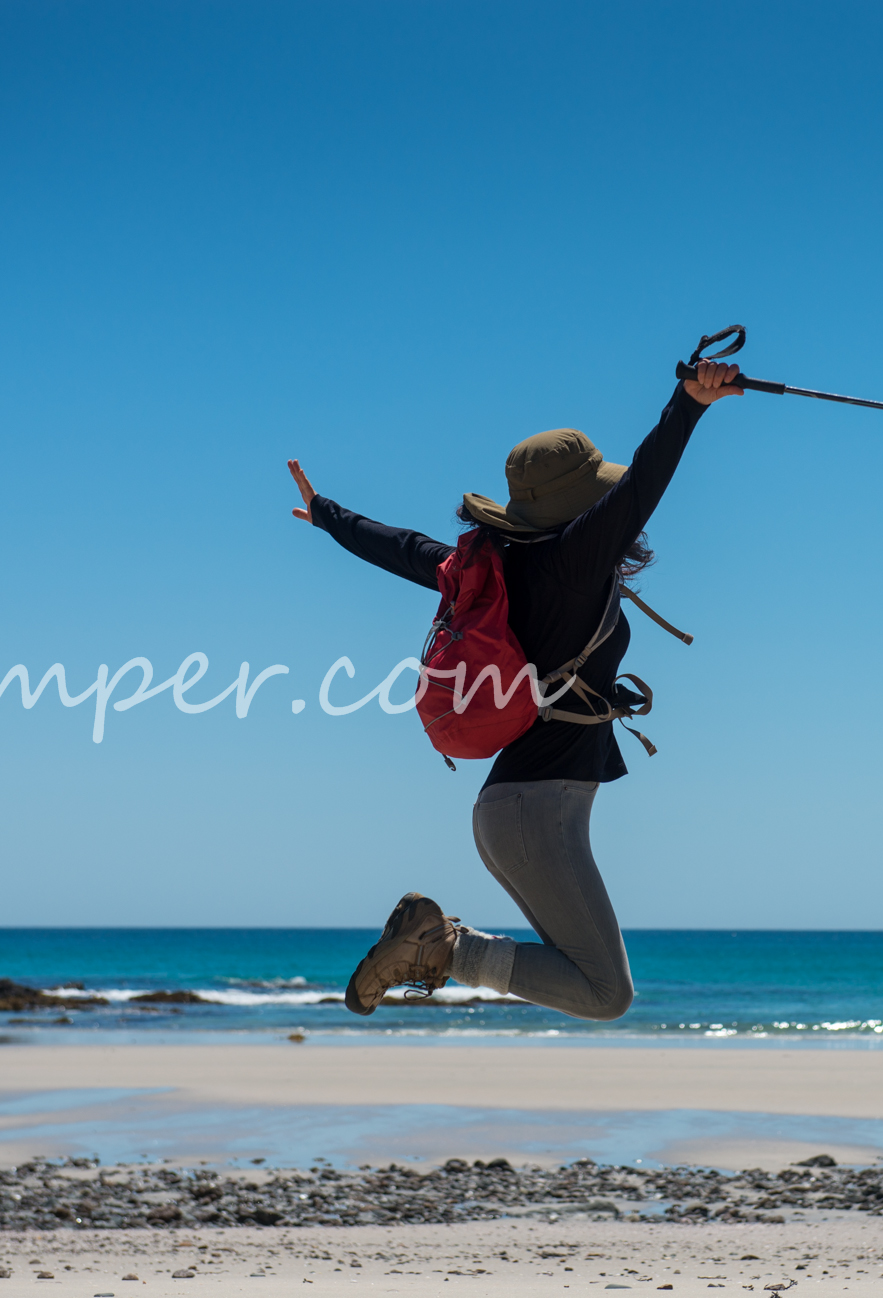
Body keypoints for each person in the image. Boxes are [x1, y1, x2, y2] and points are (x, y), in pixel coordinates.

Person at [287, 359, 745, 1021]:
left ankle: (439, 944)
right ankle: (439, 946)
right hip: (535, 814)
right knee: (605, 992)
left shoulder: (489, 569)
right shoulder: (571, 562)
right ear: (580, 505)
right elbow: (642, 487)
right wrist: (687, 404)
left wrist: (328, 513)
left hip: (521, 813)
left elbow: (405, 547)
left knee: (588, 978)